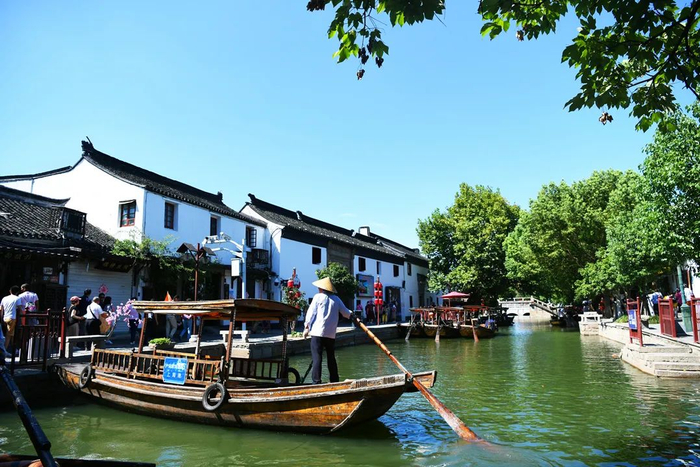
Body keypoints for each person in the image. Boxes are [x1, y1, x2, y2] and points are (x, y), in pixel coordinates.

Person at [303, 277, 352, 384]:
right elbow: (346, 313)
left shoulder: (318, 297)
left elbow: (311, 313)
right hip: (330, 334)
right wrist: (352, 315)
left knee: (317, 358)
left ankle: (316, 382)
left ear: (322, 288)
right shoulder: (337, 299)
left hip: (317, 333)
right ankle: (334, 380)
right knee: (331, 358)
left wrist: (306, 327)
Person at [0, 286, 22, 355]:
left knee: (11, 333)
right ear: (17, 292)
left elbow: (1, 309)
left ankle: (14, 349)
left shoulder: (4, 298)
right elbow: (20, 309)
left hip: (5, 317)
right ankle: (4, 350)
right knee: (8, 335)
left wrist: (1, 318)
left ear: (10, 291)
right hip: (12, 318)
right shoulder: (17, 298)